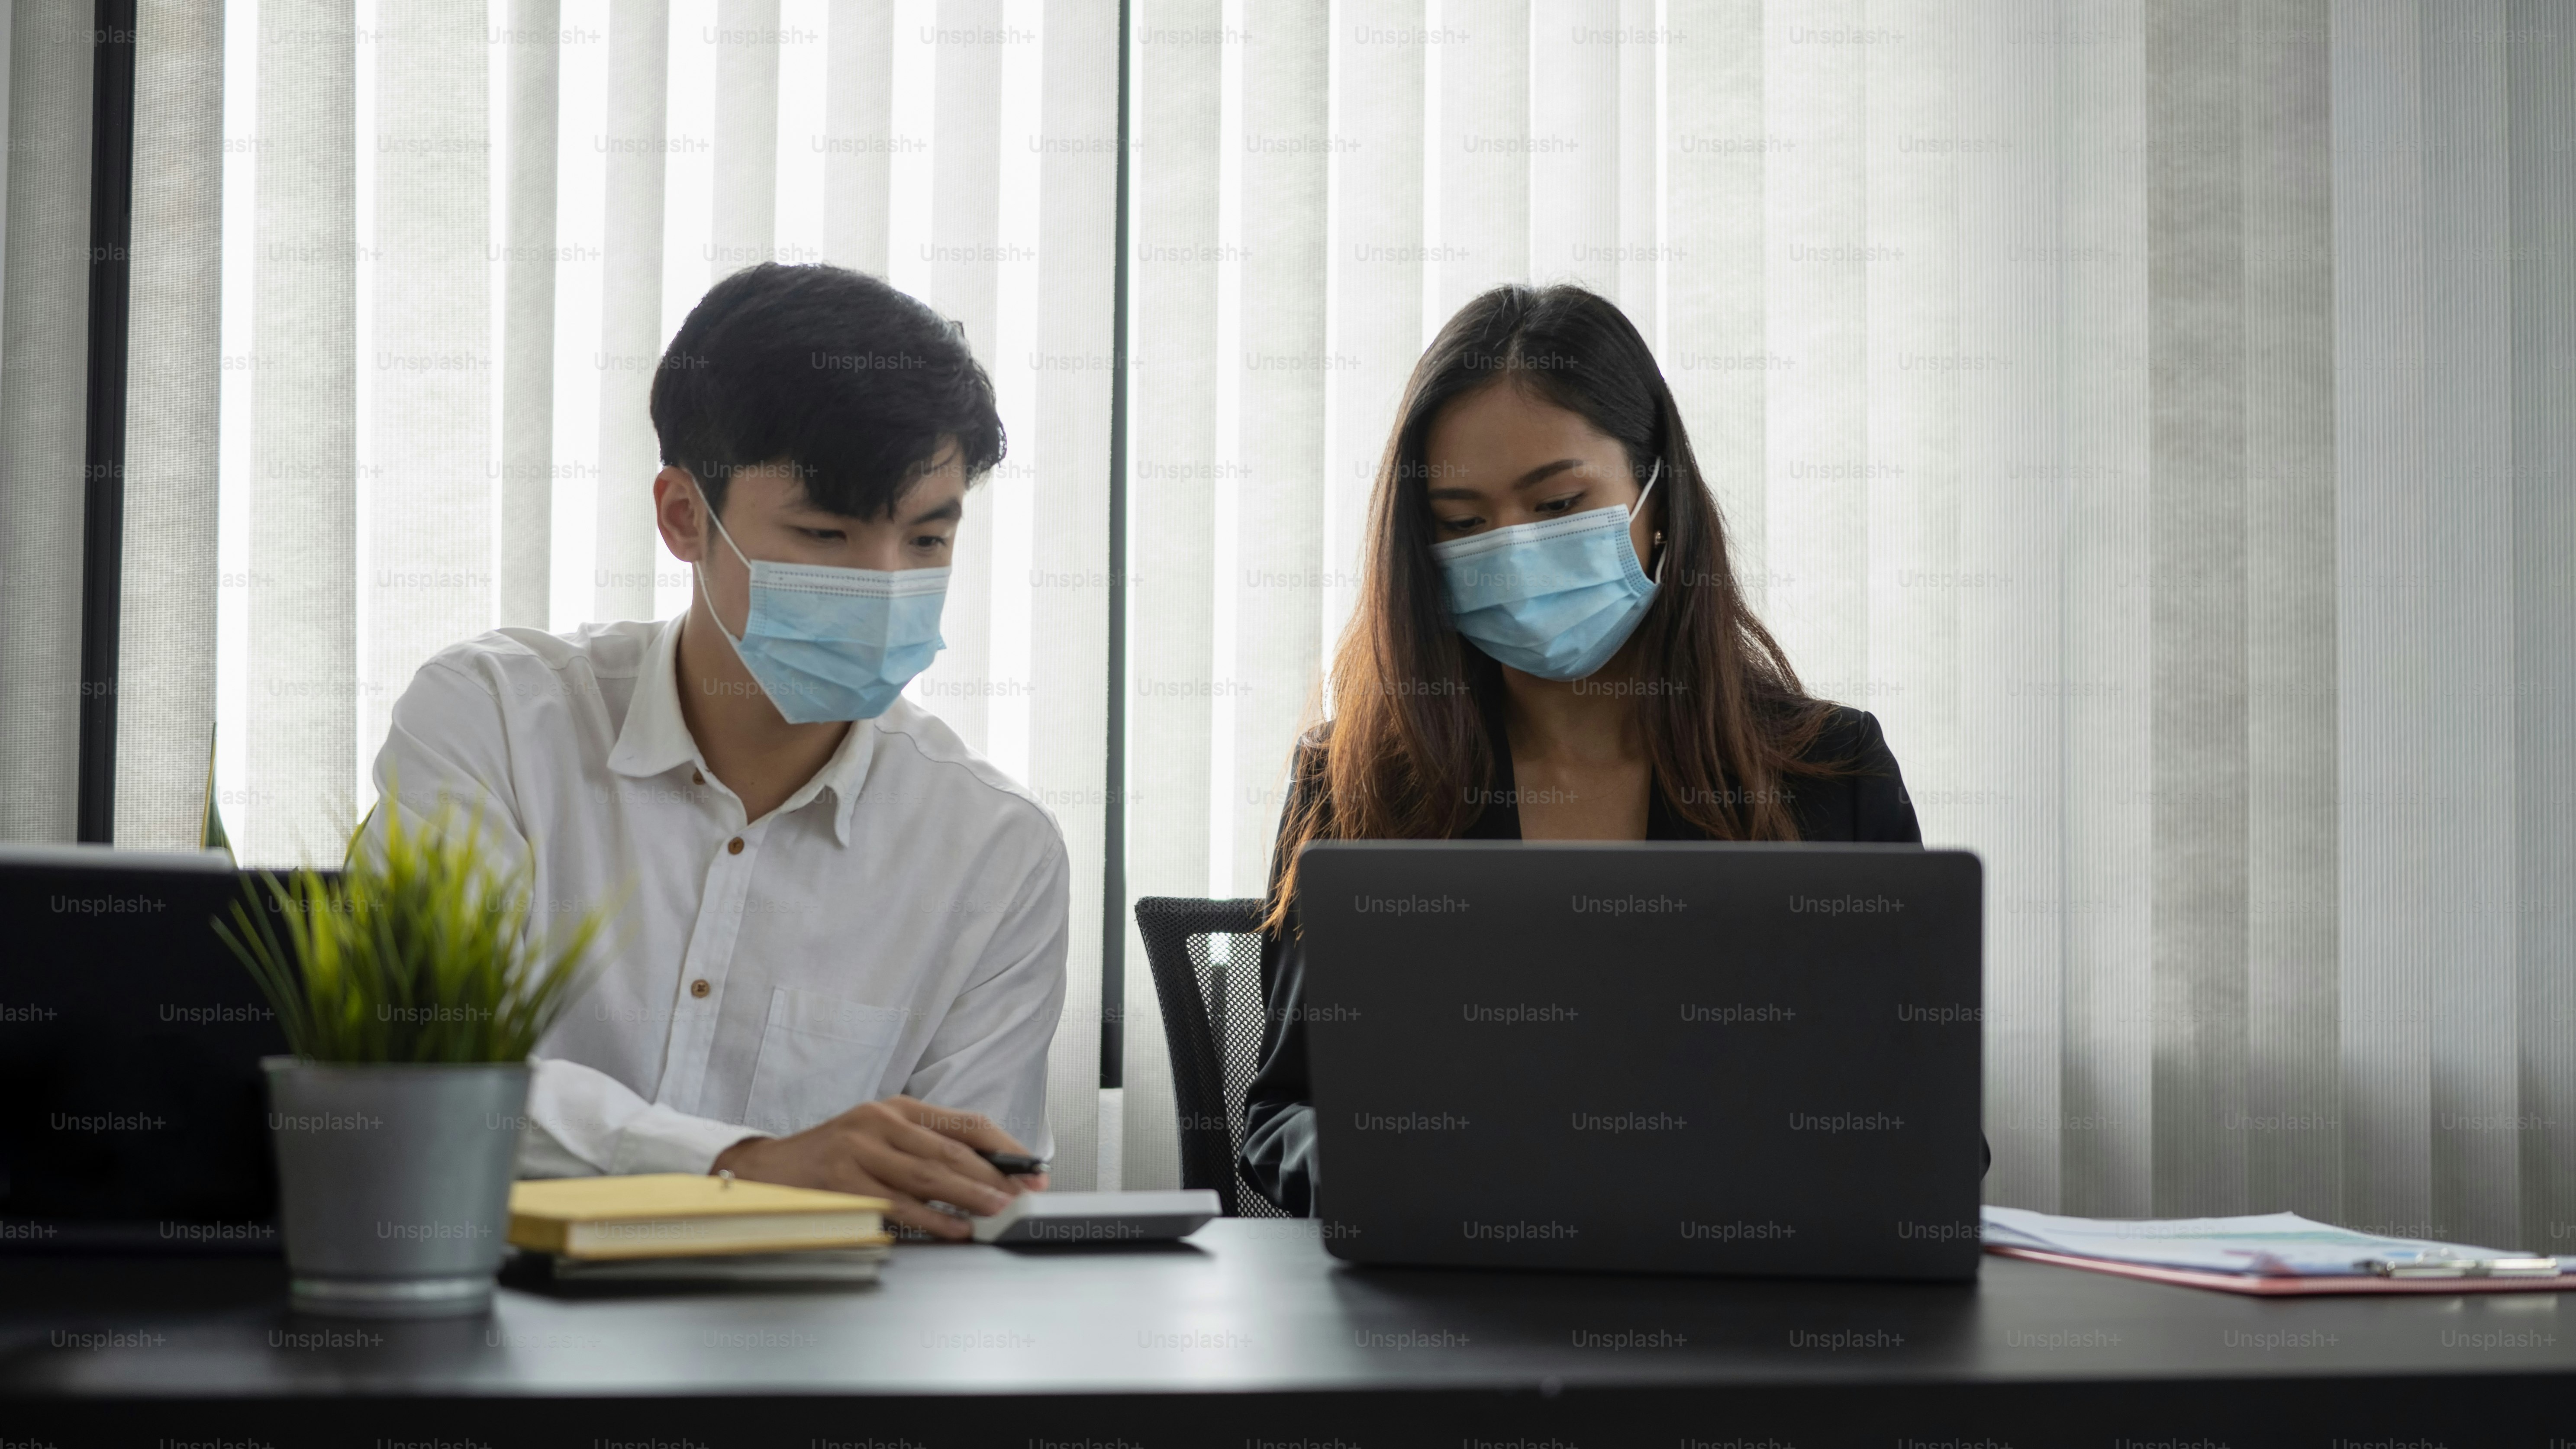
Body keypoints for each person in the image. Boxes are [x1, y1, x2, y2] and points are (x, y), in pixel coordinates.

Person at [368, 264, 1063, 1238]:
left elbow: (962, 1207)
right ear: (685, 518)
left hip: (819, 1365)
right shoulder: (494, 722)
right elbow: (413, 1081)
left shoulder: (997, 852)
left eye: (928, 541)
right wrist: (740, 1168)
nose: (884, 583)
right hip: (494, 1338)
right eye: (825, 533)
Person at [1239, 284, 1928, 1216]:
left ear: (1658, 501)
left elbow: (1929, 1134)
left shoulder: (1832, 774)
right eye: (1463, 523)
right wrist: (1407, 1176)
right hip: (1450, 1315)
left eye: (1560, 503)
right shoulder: (1354, 781)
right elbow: (1283, 1114)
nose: (1514, 555)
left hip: (1745, 1306)